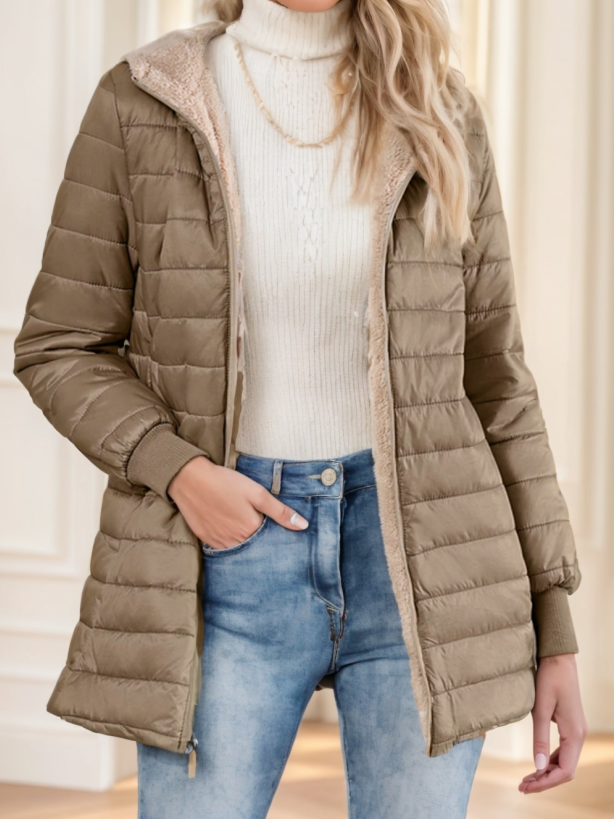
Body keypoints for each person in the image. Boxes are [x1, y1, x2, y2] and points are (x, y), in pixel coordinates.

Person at [12, 0, 587, 816]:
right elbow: (59, 345)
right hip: (221, 562)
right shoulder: (144, 100)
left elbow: (496, 380)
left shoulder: (438, 106)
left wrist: (554, 627)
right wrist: (180, 472)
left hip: (425, 572)